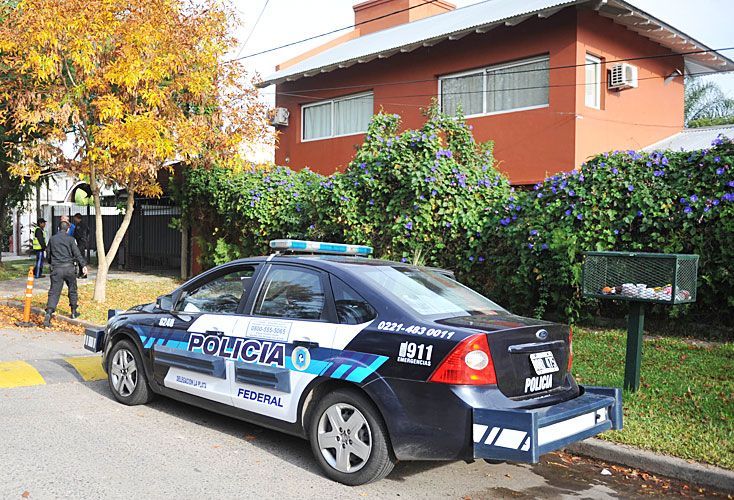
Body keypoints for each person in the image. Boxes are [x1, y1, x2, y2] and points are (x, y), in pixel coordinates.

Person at [44, 220, 88, 326]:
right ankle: (73, 312)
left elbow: (48, 253)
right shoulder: (71, 239)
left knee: (54, 292)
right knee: (72, 290)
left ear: (58, 229)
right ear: (68, 230)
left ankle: (49, 313)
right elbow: (77, 253)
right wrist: (83, 265)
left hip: (56, 269)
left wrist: (51, 263)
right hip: (69, 268)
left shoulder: (52, 239)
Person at [72, 213, 89, 278]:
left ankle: (83, 273)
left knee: (80, 258)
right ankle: (81, 273)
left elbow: (79, 234)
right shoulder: (82, 224)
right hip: (82, 242)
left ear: (77, 218)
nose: (74, 219)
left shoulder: (80, 225)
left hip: (81, 243)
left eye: (75, 218)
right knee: (80, 258)